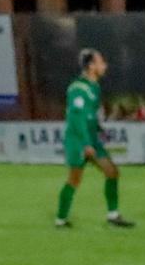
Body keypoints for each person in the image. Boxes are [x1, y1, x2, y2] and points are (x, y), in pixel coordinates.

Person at [56, 49, 133, 228]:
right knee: (74, 179)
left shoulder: (94, 87)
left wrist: (99, 129)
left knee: (112, 172)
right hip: (78, 141)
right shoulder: (78, 88)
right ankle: (60, 219)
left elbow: (90, 115)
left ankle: (113, 216)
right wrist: (85, 144)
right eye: (101, 62)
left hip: (91, 139)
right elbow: (76, 118)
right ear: (91, 66)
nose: (104, 65)